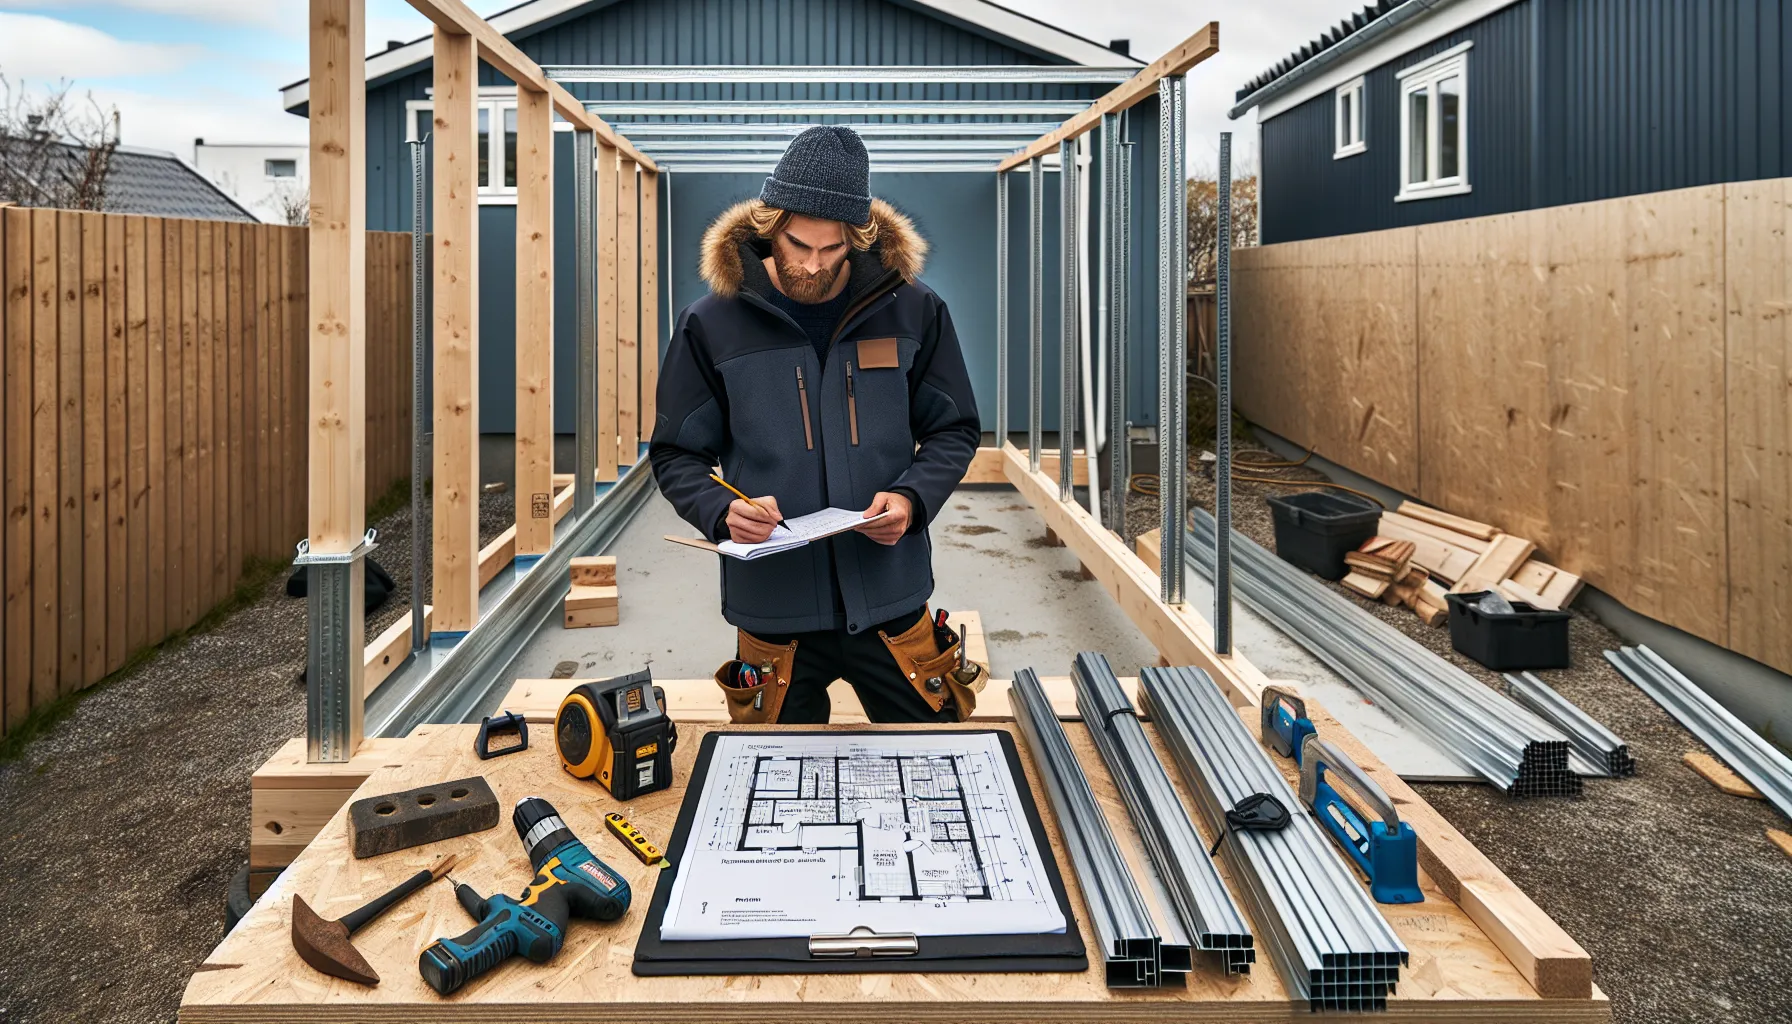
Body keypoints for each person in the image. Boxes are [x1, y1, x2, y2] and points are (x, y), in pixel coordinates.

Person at [650, 125, 983, 724]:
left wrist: (911, 500)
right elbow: (677, 454)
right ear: (770, 225)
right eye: (799, 245)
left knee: (935, 750)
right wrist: (722, 511)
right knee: (774, 782)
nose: (811, 264)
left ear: (858, 239)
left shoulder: (914, 309)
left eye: (831, 250)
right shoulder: (711, 324)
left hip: (890, 597)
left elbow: (953, 429)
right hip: (774, 614)